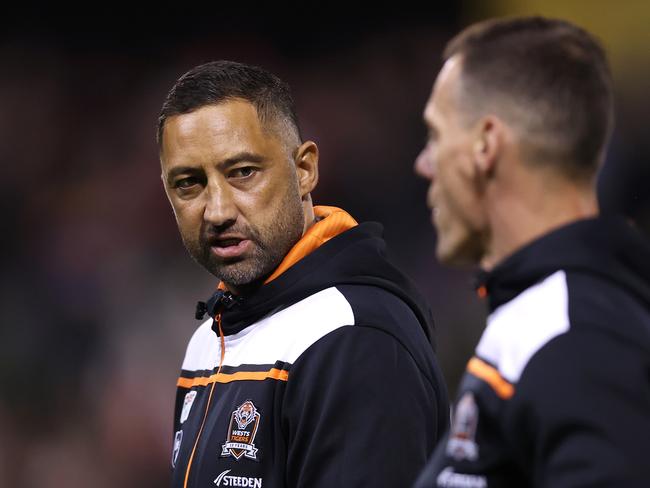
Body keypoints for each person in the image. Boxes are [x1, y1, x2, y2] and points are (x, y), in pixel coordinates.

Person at [157, 60, 449, 488]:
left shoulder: (351, 336)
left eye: (242, 173)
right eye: (189, 183)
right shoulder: (209, 339)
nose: (217, 210)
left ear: (305, 170)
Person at [413, 16, 650, 488]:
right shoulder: (546, 318)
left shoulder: (576, 337)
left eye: (436, 136)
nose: (423, 164)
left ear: (486, 145)